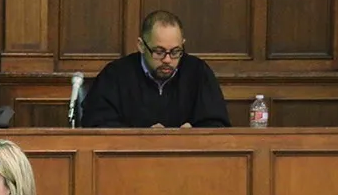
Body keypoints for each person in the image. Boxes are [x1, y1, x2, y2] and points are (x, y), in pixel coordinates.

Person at [81, 10, 231, 128]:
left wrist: (194, 134)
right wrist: (142, 136)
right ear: (141, 45)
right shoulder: (115, 75)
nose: (167, 60)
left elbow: (218, 124)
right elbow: (96, 124)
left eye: (175, 52)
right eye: (159, 52)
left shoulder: (198, 72)